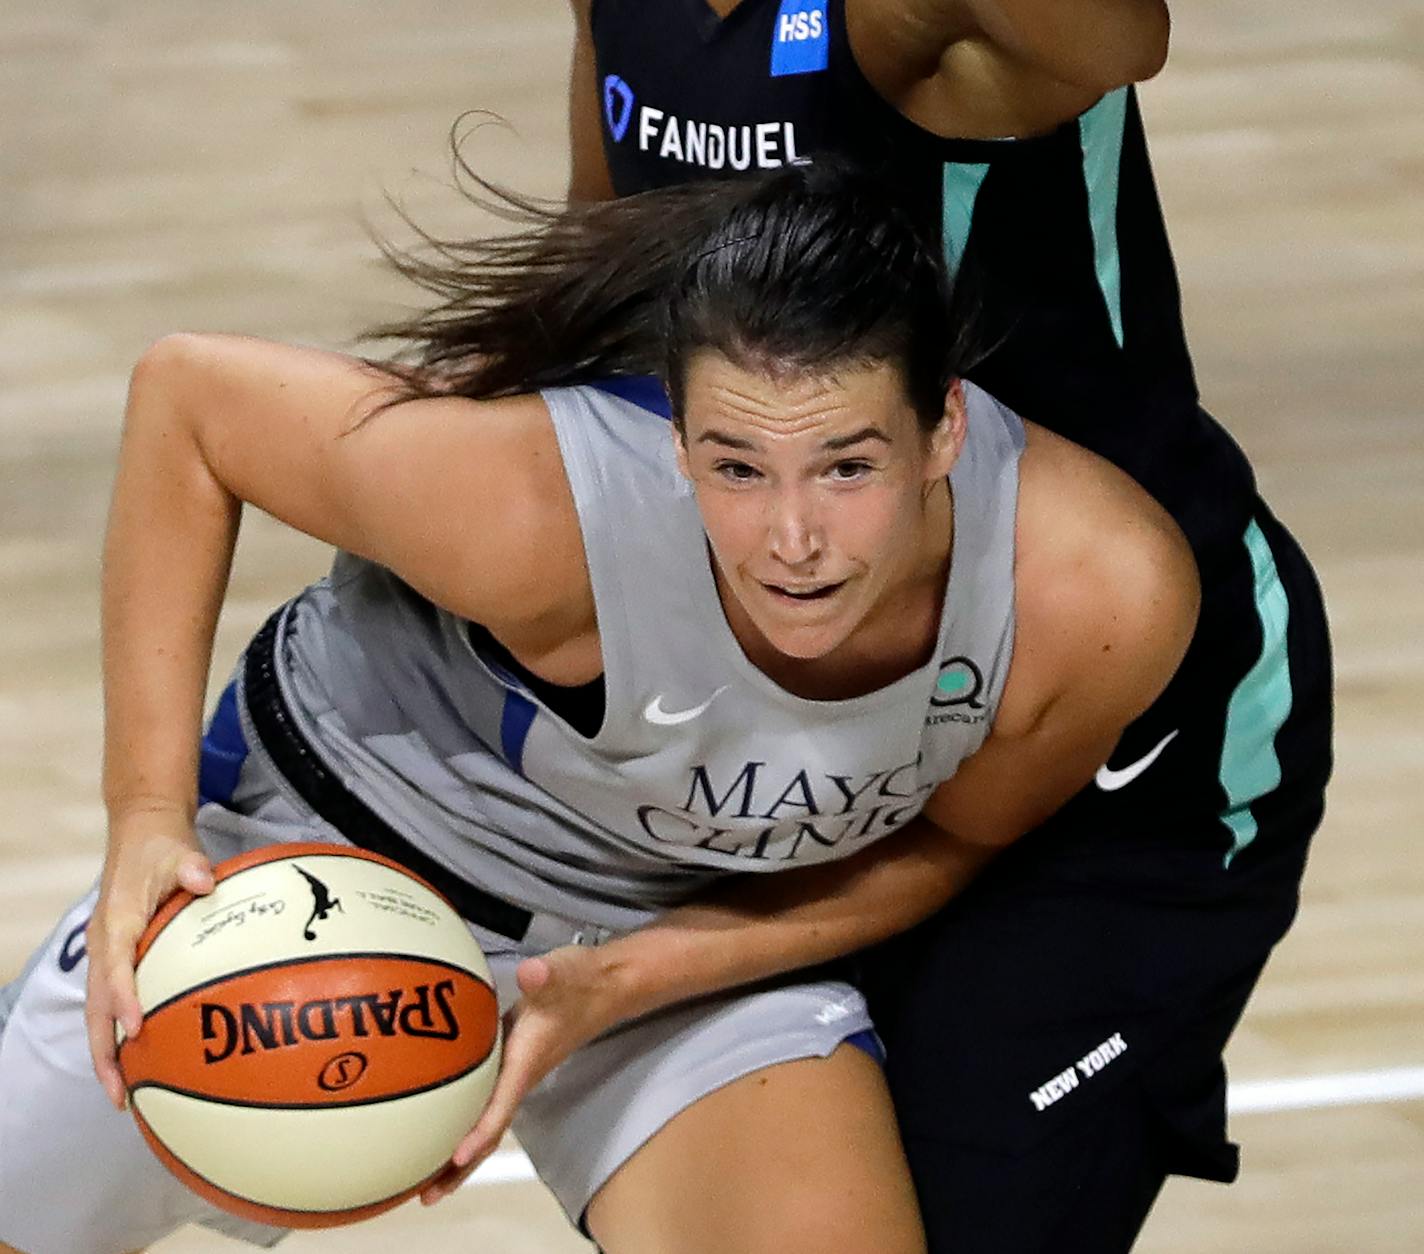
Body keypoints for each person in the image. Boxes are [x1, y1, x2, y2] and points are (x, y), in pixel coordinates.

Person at [0, 161, 1213, 1254]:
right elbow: (190, 403)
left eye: (847, 465)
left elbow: (951, 841)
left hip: (676, 936)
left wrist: (636, 974)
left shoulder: (1091, 600)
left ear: (942, 426)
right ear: (677, 448)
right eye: (737, 467)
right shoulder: (534, 517)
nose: (793, 541)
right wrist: (145, 814)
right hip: (320, 862)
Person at [565, 3, 1334, 1247]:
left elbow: (1118, 40)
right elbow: (599, 288)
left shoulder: (912, 26)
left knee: (963, 1212)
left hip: (1119, 750)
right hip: (835, 742)